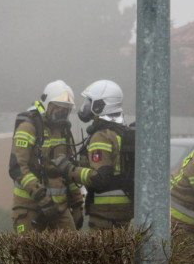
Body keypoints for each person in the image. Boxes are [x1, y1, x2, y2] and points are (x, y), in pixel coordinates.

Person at [53, 79, 134, 231]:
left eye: (90, 102)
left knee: (99, 248)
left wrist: (69, 169)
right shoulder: (120, 131)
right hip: (124, 208)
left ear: (100, 105)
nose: (86, 106)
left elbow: (99, 178)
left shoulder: (102, 136)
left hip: (105, 211)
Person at [9, 80, 83, 233]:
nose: (62, 113)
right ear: (47, 104)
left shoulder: (64, 132)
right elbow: (17, 167)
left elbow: (68, 169)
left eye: (66, 109)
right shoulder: (28, 127)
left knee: (73, 247)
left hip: (59, 208)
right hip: (29, 208)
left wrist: (77, 204)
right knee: (30, 248)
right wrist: (42, 198)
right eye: (58, 108)